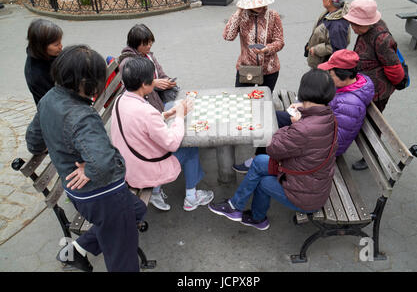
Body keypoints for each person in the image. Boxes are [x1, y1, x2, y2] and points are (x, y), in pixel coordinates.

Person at [25, 45, 147, 272]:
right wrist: (89, 169)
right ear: (88, 82)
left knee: (137, 210)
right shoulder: (83, 117)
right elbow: (104, 164)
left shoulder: (49, 98)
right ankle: (96, 245)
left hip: (78, 193)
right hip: (104, 195)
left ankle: (76, 250)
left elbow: (33, 142)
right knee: (124, 261)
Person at [208, 69, 338, 230]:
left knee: (264, 182)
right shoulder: (328, 116)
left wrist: (294, 124)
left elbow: (272, 148)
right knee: (259, 161)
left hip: (306, 196)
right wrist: (303, 113)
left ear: (304, 91)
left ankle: (257, 218)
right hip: (312, 180)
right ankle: (235, 206)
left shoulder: (303, 129)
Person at [233, 49, 374, 173]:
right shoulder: (346, 86)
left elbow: (335, 139)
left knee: (275, 132)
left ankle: (261, 161)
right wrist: (303, 106)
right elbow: (323, 106)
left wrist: (303, 121)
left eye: (331, 75)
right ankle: (258, 157)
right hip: (314, 125)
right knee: (272, 118)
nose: (329, 78)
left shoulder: (351, 104)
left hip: (322, 146)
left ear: (344, 75)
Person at [110, 57, 214, 212]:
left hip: (129, 166)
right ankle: (191, 198)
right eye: (153, 79)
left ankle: (157, 191)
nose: (155, 81)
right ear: (144, 85)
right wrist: (179, 115)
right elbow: (172, 143)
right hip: (143, 172)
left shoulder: (120, 101)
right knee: (190, 147)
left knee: (177, 140)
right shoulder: (146, 111)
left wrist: (166, 114)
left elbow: (140, 124)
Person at [343, 0, 405, 170]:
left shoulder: (382, 38)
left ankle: (371, 155)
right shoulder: (366, 30)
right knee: (360, 118)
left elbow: (394, 69)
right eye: (352, 24)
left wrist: (386, 87)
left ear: (368, 22)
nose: (353, 28)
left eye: (356, 24)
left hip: (378, 90)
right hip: (365, 85)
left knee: (372, 123)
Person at [223, 0, 284, 93]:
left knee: (264, 103)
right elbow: (228, 36)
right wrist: (238, 12)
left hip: (270, 69)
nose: (259, 5)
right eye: (255, 3)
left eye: (261, 2)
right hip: (246, 68)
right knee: (243, 101)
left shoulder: (273, 15)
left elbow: (279, 41)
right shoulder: (242, 16)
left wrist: (268, 49)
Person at [119, 24, 177, 113]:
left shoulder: (148, 55)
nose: (149, 46)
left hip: (156, 95)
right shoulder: (128, 63)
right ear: (135, 44)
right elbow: (133, 88)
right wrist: (153, 83)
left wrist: (167, 81)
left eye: (150, 42)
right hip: (145, 102)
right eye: (145, 44)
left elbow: (160, 73)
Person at [305, 0, 350, 69]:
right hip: (321, 62)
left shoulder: (337, 24)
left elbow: (338, 48)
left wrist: (316, 49)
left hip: (325, 66)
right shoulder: (330, 12)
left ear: (329, 1)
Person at [24, 18, 63, 105]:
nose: (61, 46)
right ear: (41, 47)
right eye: (56, 44)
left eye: (60, 42)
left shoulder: (51, 54)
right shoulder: (37, 75)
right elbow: (54, 103)